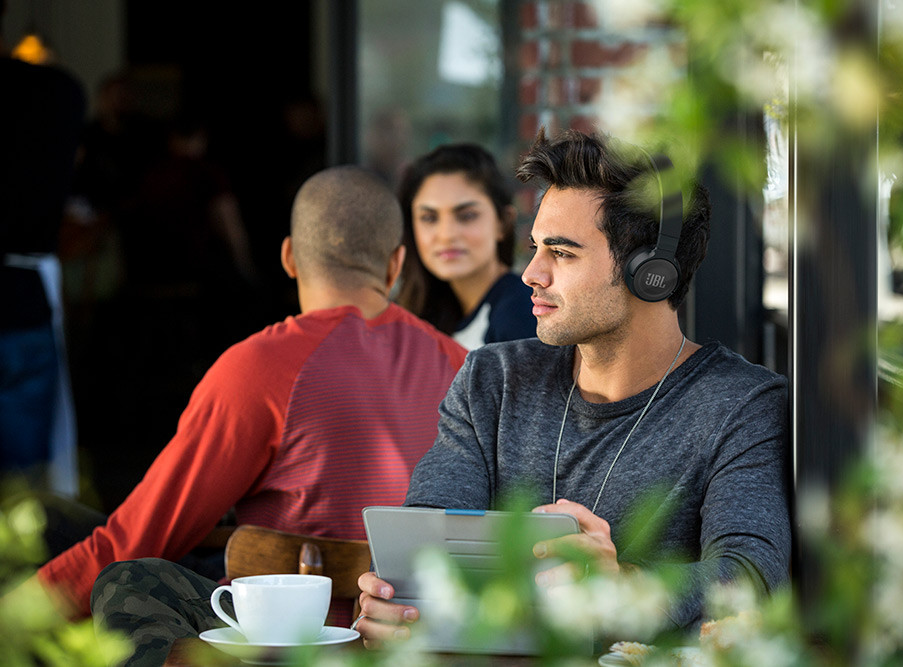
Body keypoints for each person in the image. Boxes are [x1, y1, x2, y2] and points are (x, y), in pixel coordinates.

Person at [355, 129, 791, 641]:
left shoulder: (741, 404)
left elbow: (750, 574)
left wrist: (620, 585)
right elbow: (427, 537)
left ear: (651, 272)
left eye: (561, 253)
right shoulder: (491, 380)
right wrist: (401, 602)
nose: (531, 274)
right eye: (536, 248)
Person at [28, 166, 467, 633]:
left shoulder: (262, 367)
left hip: (285, 640)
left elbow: (139, 539)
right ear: (396, 265)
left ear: (289, 258)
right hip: (421, 639)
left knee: (54, 534)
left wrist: (15, 620)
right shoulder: (465, 365)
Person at [0, 0, 86, 494]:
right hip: (23, 296)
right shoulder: (56, 92)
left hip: (24, 295)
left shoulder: (54, 90)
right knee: (25, 491)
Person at [395, 144, 535, 349]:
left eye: (467, 216)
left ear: (503, 223)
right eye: (429, 218)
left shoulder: (520, 313)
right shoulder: (428, 313)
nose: (446, 234)